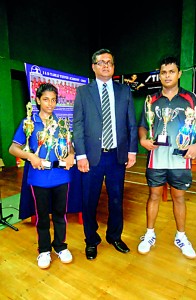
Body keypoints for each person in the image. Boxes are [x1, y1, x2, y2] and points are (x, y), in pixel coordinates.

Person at [137, 56, 196, 259]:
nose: (167, 75)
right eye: (163, 72)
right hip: (156, 158)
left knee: (178, 197)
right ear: (159, 75)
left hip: (181, 158)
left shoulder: (192, 99)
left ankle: (181, 236)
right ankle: (149, 234)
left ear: (179, 74)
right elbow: (143, 125)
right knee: (153, 196)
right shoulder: (151, 100)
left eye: (171, 71)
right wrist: (143, 139)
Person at [72, 48, 138, 260]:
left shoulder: (124, 91)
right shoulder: (83, 92)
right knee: (89, 201)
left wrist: (132, 150)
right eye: (101, 62)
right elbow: (78, 125)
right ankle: (91, 240)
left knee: (117, 200)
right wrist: (80, 155)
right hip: (91, 157)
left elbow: (131, 123)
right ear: (93, 67)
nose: (106, 65)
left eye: (109, 62)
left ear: (113, 66)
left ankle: (114, 236)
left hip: (117, 156)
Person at [9, 83, 74, 269]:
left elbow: (68, 146)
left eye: (53, 100)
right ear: (37, 100)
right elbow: (13, 148)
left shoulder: (61, 123)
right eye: (46, 99)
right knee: (43, 216)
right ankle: (44, 250)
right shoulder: (29, 123)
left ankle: (60, 246)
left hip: (61, 175)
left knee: (61, 214)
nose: (50, 104)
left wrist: (70, 154)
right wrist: (30, 156)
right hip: (39, 177)